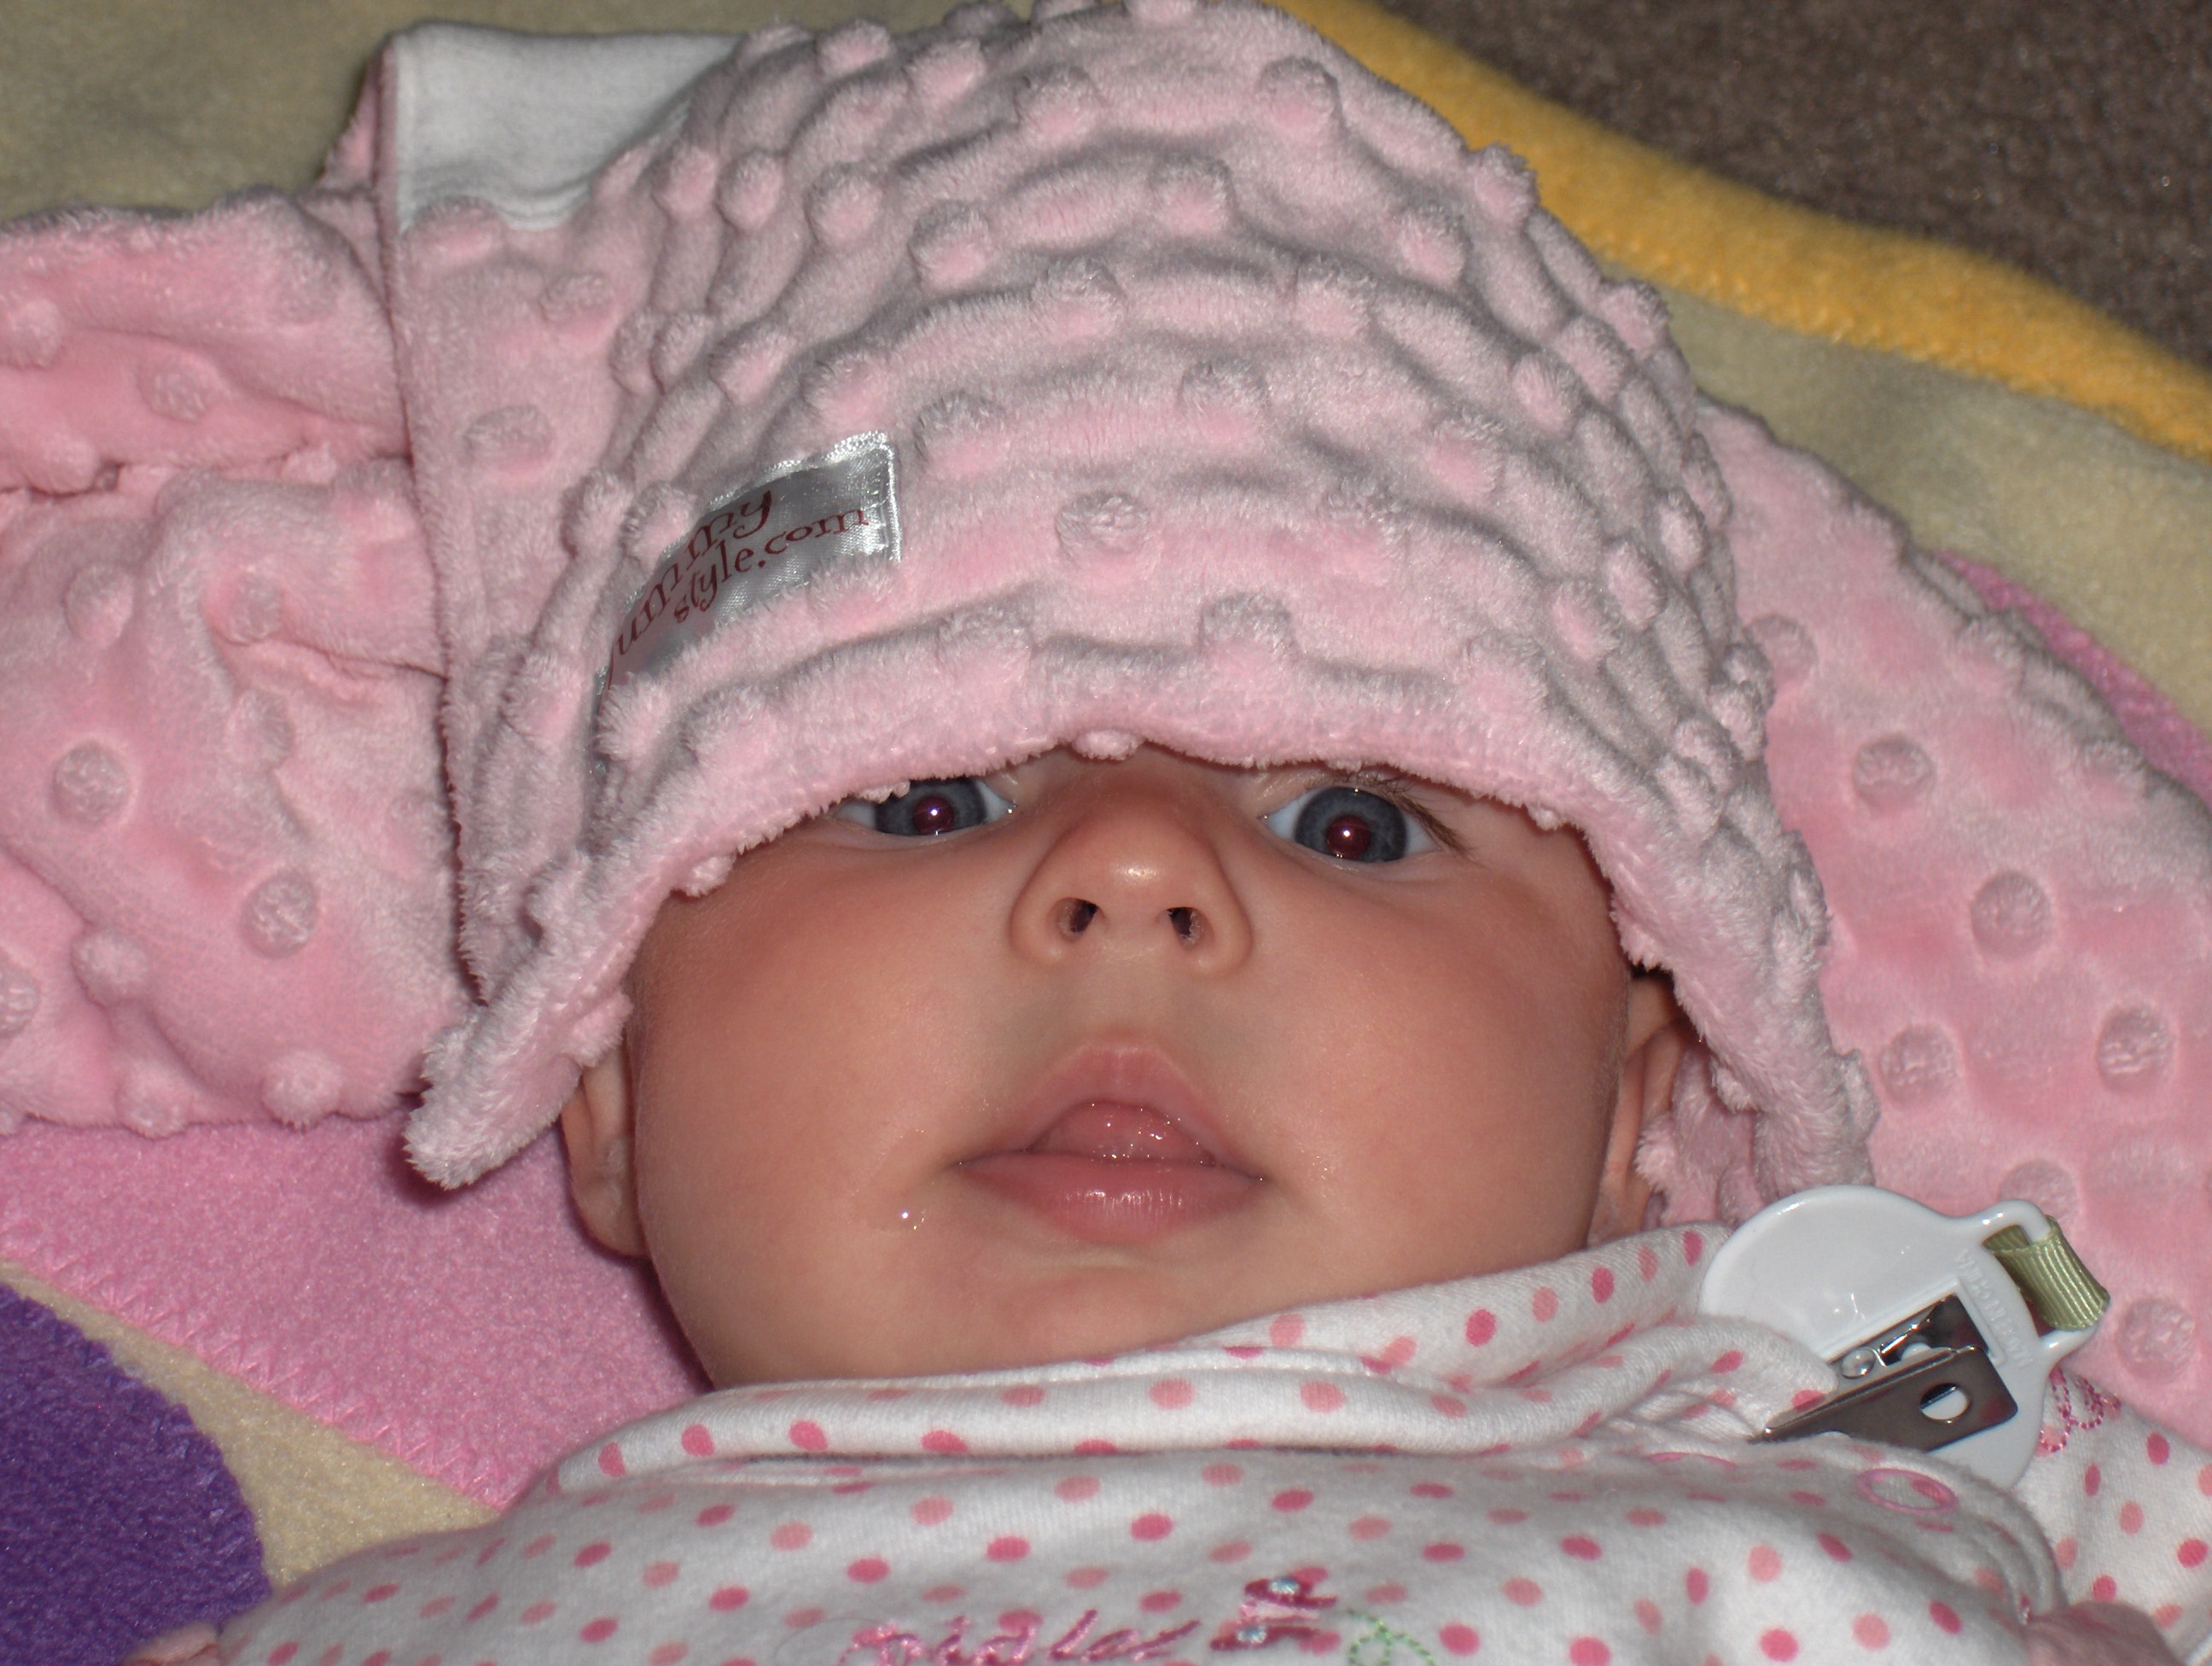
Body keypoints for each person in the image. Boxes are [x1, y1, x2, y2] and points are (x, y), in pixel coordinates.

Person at [131, 1, 2207, 1660]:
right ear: (607, 1092)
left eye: (1355, 821)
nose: (1133, 873)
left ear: (1625, 1112)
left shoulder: (1867, 1472)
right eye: (926, 797)